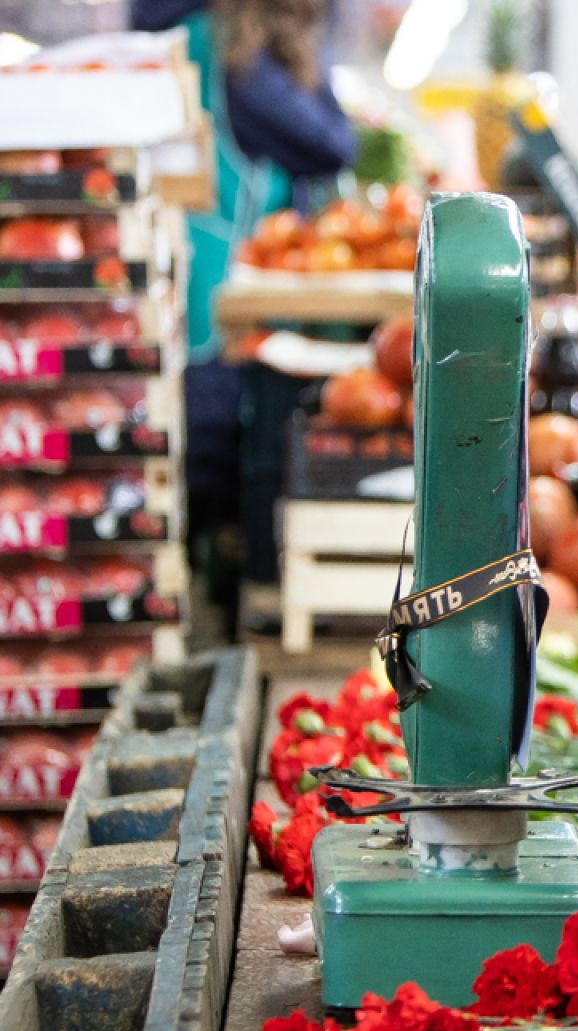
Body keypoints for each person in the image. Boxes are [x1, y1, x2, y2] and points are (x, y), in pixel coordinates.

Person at [131, 0, 356, 626]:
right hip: (216, 317)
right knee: (216, 468)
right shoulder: (240, 60)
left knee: (192, 472)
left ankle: (206, 595)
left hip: (197, 305)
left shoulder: (200, 42)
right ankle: (215, 609)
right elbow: (331, 142)